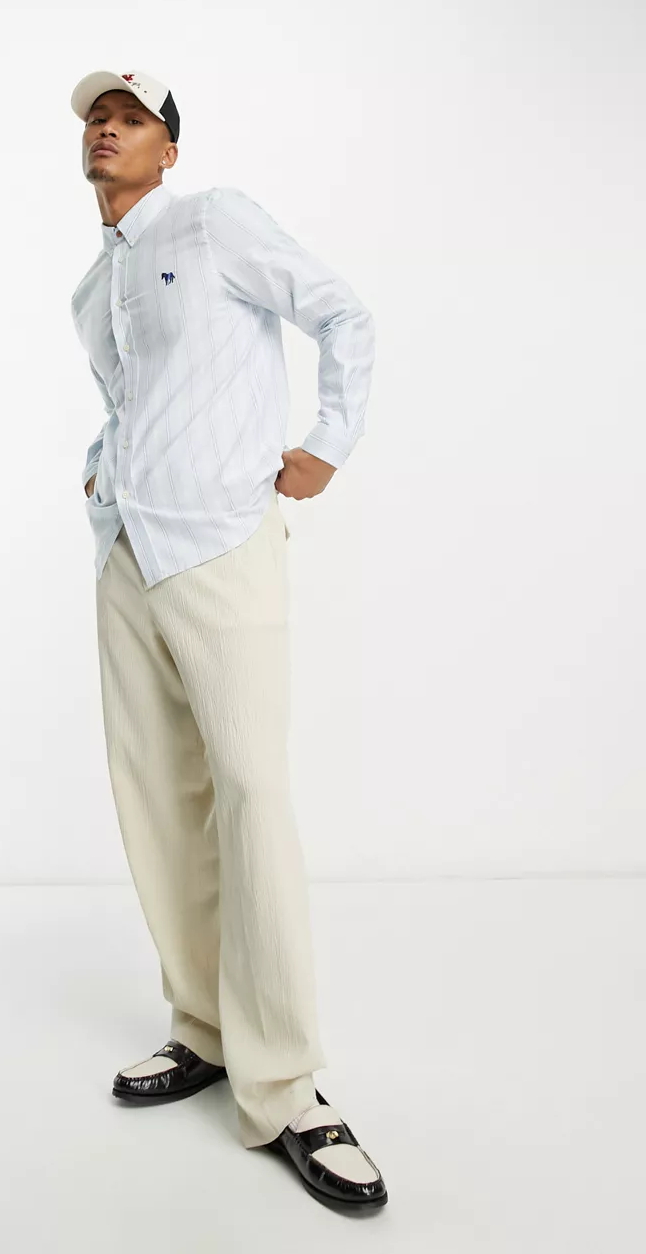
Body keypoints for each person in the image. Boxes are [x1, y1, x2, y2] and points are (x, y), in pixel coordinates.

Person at [69, 68, 387, 1211]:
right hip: (129, 554)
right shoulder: (89, 288)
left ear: (168, 147)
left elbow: (342, 311)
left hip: (221, 544)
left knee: (250, 792)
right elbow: (133, 399)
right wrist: (101, 475)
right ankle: (203, 1026)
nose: (106, 129)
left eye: (130, 118)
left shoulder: (214, 222)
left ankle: (288, 1084)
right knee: (159, 799)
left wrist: (327, 442)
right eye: (96, 119)